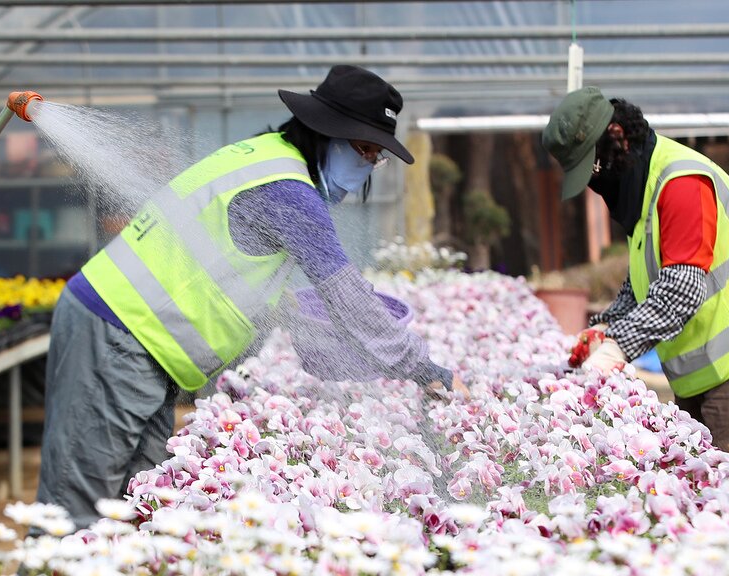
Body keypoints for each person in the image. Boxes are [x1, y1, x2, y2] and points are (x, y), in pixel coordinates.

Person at [38, 64, 463, 529]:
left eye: (376, 156)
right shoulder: (289, 192)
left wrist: (311, 334)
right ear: (327, 134)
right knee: (75, 508)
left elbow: (241, 272)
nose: (368, 165)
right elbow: (349, 298)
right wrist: (421, 368)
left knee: (138, 501)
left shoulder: (266, 158)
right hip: (116, 331)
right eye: (364, 150)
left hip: (141, 343)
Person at [541, 87, 729, 469]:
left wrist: (617, 348)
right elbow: (645, 279)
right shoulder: (643, 188)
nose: (595, 182)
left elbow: (681, 288)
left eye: (595, 167)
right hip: (714, 364)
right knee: (703, 488)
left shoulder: (680, 182)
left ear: (617, 137)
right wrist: (607, 327)